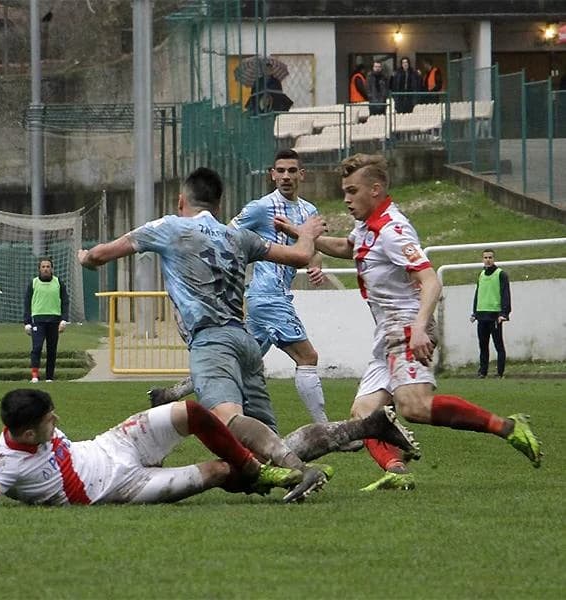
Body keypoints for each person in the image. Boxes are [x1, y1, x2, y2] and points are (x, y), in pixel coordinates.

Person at [276, 154, 542, 491]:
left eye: (352, 191)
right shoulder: (367, 226)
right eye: (344, 191)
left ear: (375, 189)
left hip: (406, 326)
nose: (346, 199)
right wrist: (301, 235)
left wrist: (418, 328)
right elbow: (347, 246)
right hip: (387, 333)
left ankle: (508, 427)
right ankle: (397, 471)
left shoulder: (393, 230)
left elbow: (430, 281)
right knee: (364, 415)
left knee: (414, 406)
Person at [77, 167, 331, 500]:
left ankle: (301, 469)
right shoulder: (237, 236)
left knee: (225, 419)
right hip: (244, 341)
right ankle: (289, 471)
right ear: (219, 205)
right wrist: (307, 232)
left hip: (211, 341)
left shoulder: (170, 227)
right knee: (259, 435)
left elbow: (99, 255)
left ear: (180, 200)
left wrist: (84, 257)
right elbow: (300, 256)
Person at [0, 388, 421, 510]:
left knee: (192, 411)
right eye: (50, 421)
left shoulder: (31, 430)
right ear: (27, 434)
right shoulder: (6, 464)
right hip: (123, 486)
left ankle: (269, 470)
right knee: (220, 471)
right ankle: (350, 434)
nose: (57, 422)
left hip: (115, 443)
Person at [149, 150, 340, 436]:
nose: (286, 176)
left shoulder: (309, 211)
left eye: (292, 170)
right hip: (267, 295)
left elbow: (312, 248)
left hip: (275, 295)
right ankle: (325, 429)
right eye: (280, 171)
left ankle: (173, 394)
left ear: (302, 174)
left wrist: (315, 266)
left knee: (237, 360)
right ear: (272, 175)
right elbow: (224, 235)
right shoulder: (260, 208)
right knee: (307, 357)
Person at [23, 257, 69, 382]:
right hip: (38, 320)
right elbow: (27, 303)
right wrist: (27, 322)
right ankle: (34, 376)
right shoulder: (33, 283)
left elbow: (65, 301)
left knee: (52, 350)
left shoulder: (58, 282)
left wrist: (64, 320)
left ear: (52, 268)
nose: (45, 269)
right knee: (37, 348)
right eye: (43, 267)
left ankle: (49, 377)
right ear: (39, 269)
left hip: (54, 320)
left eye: (48, 267)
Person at [470, 249, 511, 378]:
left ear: (494, 259)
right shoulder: (481, 274)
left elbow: (505, 294)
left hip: (494, 316)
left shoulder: (501, 274)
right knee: (483, 345)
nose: (488, 260)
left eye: (490, 257)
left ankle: (500, 372)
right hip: (482, 315)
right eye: (485, 257)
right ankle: (483, 372)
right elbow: (478, 293)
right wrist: (474, 312)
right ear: (482, 259)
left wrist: (504, 313)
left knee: (498, 345)